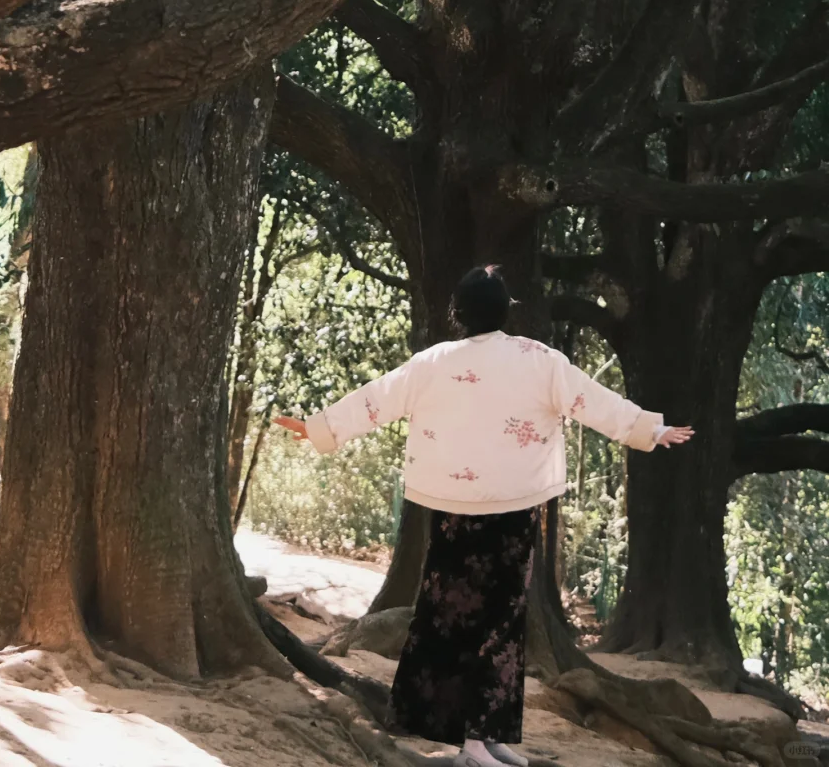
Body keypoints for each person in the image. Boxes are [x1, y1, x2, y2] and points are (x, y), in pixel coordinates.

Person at [275, 264, 694, 767]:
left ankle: (485, 737)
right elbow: (594, 402)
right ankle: (473, 743)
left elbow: (377, 399)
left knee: (452, 619)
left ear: (459, 313)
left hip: (454, 511)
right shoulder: (538, 359)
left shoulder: (434, 361)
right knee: (496, 622)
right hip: (512, 512)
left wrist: (319, 429)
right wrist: (650, 430)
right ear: (504, 310)